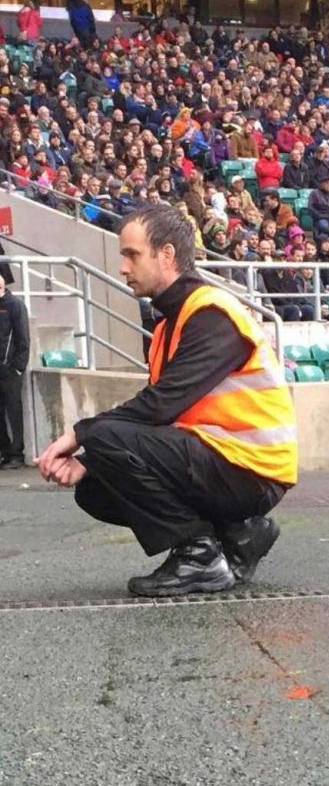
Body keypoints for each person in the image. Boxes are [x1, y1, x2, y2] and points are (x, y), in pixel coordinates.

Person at [36, 207, 297, 596]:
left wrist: (80, 435)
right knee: (94, 489)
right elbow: (157, 420)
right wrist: (90, 463)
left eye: (132, 255)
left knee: (104, 436)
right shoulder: (168, 325)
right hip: (221, 460)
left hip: (252, 470)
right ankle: (238, 534)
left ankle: (200, 556)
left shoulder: (212, 312)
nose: (123, 267)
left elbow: (160, 406)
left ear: (167, 255)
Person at [0, 276, 30, 469]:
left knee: (13, 411)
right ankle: (5, 451)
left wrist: (19, 367)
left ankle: (16, 454)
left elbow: (23, 337)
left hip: (10, 368)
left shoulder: (14, 305)